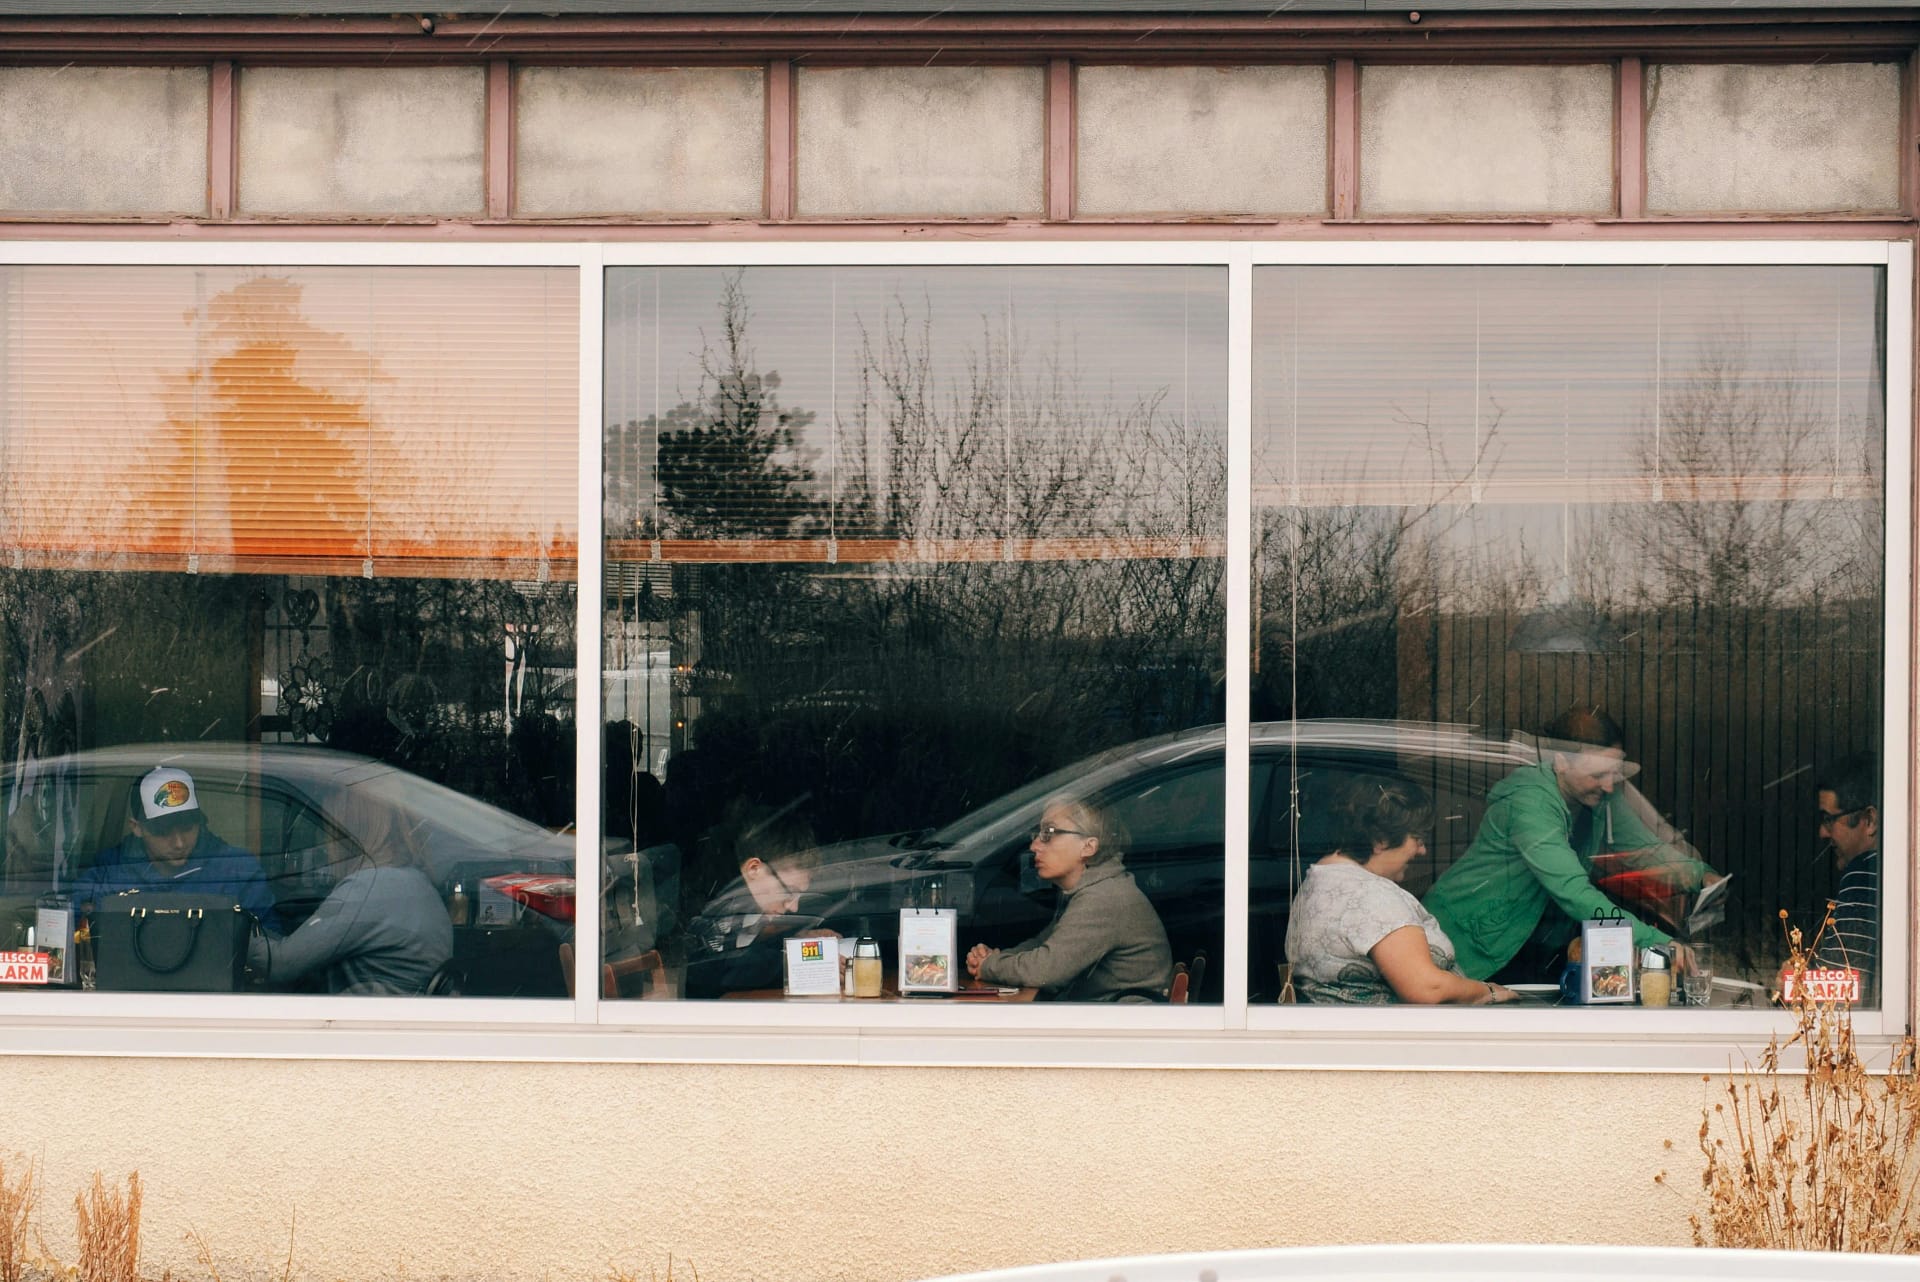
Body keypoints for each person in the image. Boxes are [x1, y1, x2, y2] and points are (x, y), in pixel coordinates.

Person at [1423, 705, 1719, 983]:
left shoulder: (1602, 795)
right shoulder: (1529, 804)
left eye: (1614, 772)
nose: (1609, 784)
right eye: (1598, 774)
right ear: (1561, 762)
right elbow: (1574, 893)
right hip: (1467, 941)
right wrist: (1656, 941)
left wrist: (1700, 875)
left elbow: (1646, 850)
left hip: (1527, 945)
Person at [1286, 774, 1516, 1005]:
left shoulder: (1322, 881)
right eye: (1417, 838)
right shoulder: (1370, 895)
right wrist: (1486, 991)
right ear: (1381, 840)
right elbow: (1427, 987)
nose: (1422, 850)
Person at [246, 785, 452, 995]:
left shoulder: (371, 887)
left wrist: (232, 934)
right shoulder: (414, 882)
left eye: (329, 831)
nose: (327, 845)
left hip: (369, 1013)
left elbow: (279, 964)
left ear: (349, 832)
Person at [965, 794, 1172, 1002]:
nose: (1034, 846)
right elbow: (1043, 944)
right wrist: (994, 960)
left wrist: (989, 965)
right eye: (1038, 834)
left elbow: (1046, 970)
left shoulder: (1102, 898)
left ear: (1088, 847)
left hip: (1123, 1020)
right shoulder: (1094, 889)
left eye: (1048, 833)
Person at [74, 767, 282, 935]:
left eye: (187, 827)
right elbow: (67, 923)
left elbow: (269, 943)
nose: (179, 843)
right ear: (136, 827)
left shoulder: (238, 871)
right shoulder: (108, 872)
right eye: (163, 831)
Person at [683, 802, 832, 999]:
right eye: (789, 892)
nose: (794, 906)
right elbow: (719, 972)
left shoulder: (747, 907)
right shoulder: (715, 908)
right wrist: (795, 960)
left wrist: (798, 941)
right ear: (754, 869)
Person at [1790, 753, 1880, 1003]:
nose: (1822, 832)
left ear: (1870, 820)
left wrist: (1794, 984)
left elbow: (1842, 991)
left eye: (1829, 820)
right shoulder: (1887, 873)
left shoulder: (1864, 873)